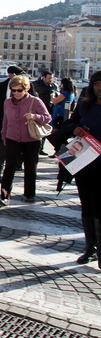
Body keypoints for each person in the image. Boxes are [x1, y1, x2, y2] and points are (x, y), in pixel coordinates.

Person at [51, 70, 101, 266]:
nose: (99, 88)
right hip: (84, 163)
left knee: (99, 206)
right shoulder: (84, 106)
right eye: (97, 84)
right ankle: (91, 248)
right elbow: (72, 122)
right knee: (87, 205)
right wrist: (74, 129)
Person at [0, 75, 51, 204]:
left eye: (19, 90)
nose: (16, 93)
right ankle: (5, 195)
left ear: (26, 89)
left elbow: (47, 118)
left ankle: (29, 194)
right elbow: (5, 121)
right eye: (13, 90)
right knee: (9, 166)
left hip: (31, 139)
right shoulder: (7, 102)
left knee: (30, 167)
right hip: (12, 138)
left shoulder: (35, 101)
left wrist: (34, 116)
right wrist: (3, 136)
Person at [0, 66, 24, 172]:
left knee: (19, 141)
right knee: (3, 140)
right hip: (4, 118)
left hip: (21, 119)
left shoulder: (26, 86)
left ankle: (18, 163)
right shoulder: (1, 86)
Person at [31, 70, 58, 154]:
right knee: (35, 128)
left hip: (49, 110)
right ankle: (36, 147)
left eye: (52, 78)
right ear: (44, 77)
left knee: (45, 128)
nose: (51, 80)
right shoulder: (35, 85)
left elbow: (57, 95)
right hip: (37, 110)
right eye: (49, 78)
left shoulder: (54, 86)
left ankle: (41, 148)